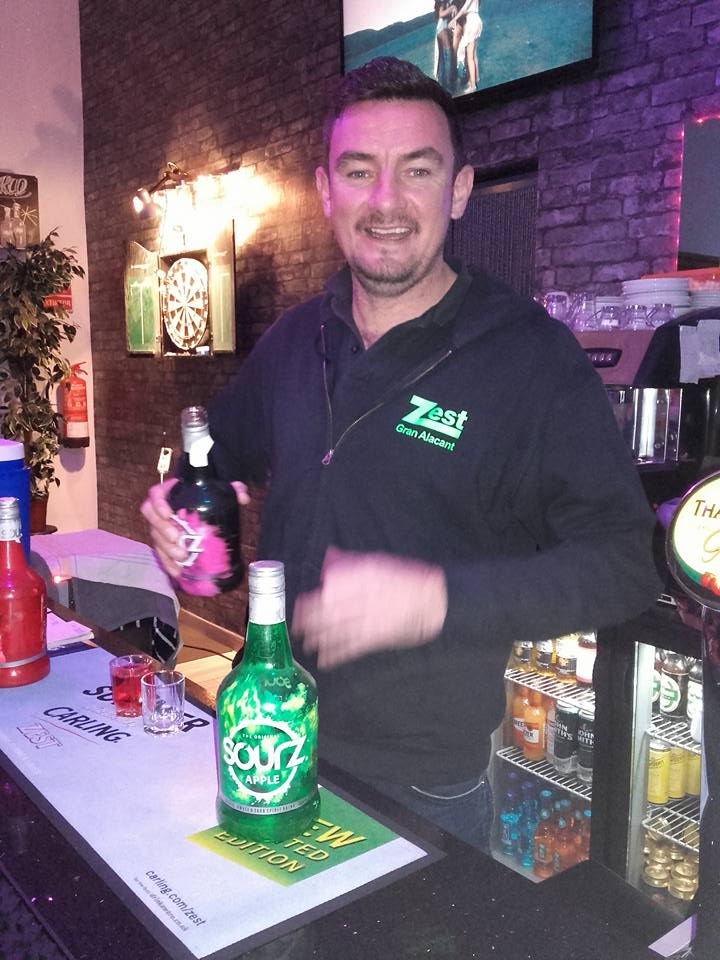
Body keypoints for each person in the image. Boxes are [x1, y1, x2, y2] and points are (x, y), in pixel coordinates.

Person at [142, 56, 659, 853]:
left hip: (423, 787)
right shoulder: (296, 338)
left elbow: (625, 563)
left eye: (417, 170)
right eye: (360, 172)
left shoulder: (530, 357)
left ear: (459, 189)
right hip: (263, 733)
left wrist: (436, 600)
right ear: (326, 191)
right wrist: (177, 509)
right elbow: (212, 456)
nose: (386, 201)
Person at [449, 0, 482, 94]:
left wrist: (454, 19)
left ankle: (473, 86)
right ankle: (476, 78)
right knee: (473, 55)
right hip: (475, 20)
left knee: (469, 57)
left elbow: (464, 9)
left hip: (471, 22)